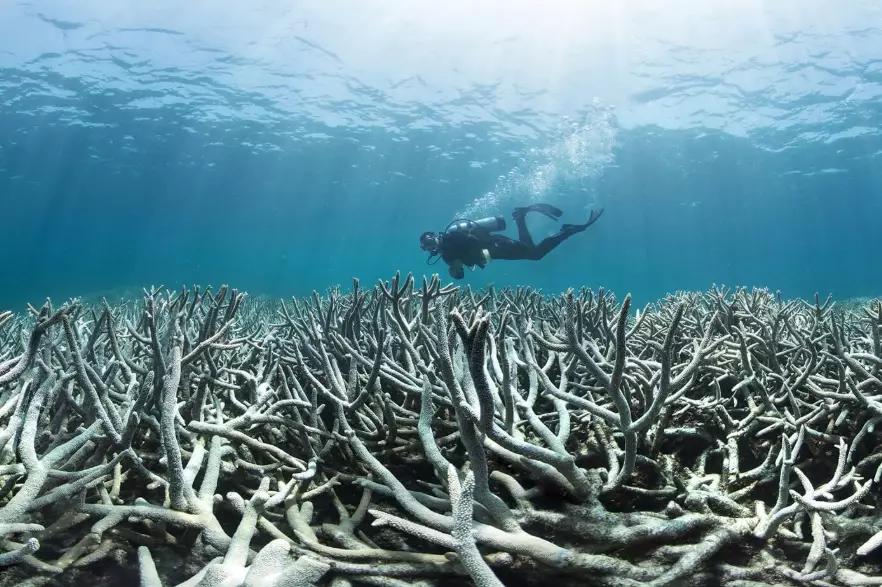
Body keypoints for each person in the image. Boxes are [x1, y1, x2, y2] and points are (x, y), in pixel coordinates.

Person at [419, 203, 604, 279]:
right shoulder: (446, 256)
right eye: (426, 247)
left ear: (435, 235)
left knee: (535, 254)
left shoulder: (451, 237)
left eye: (429, 240)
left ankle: (567, 231)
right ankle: (520, 217)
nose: (430, 246)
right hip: (495, 253)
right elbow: (460, 275)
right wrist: (455, 272)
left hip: (497, 245)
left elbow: (473, 240)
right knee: (531, 250)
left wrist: (462, 258)